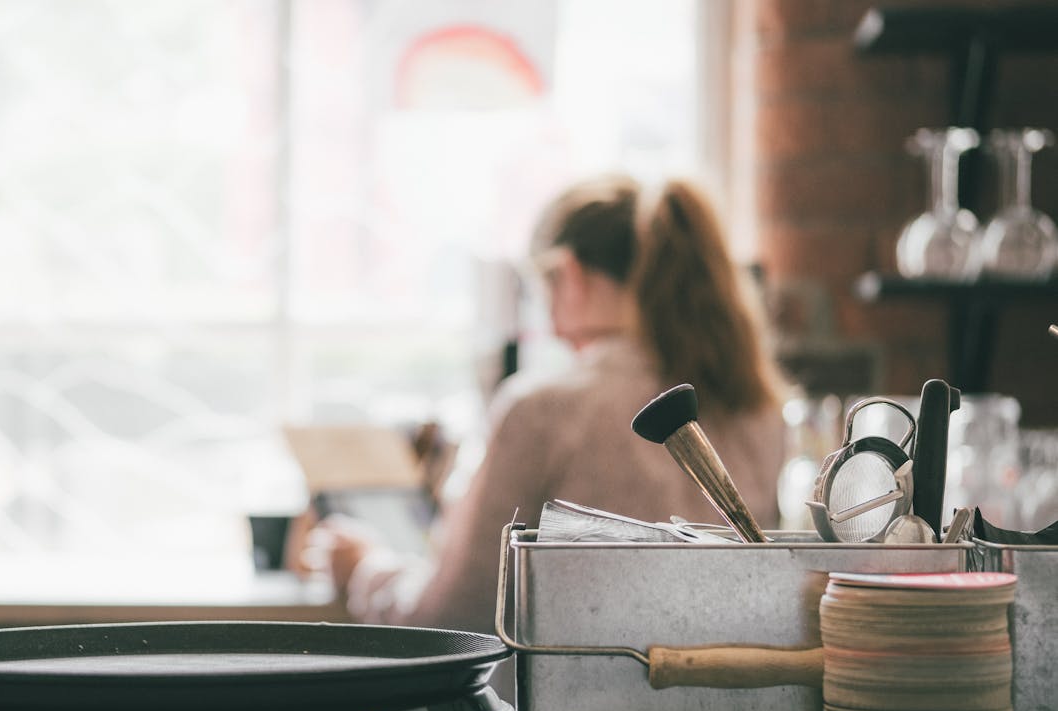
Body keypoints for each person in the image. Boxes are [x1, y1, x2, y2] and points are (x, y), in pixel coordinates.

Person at [294, 173, 788, 643]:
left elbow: (452, 617)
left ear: (568, 275)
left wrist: (364, 567)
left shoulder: (544, 410)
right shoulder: (758, 410)